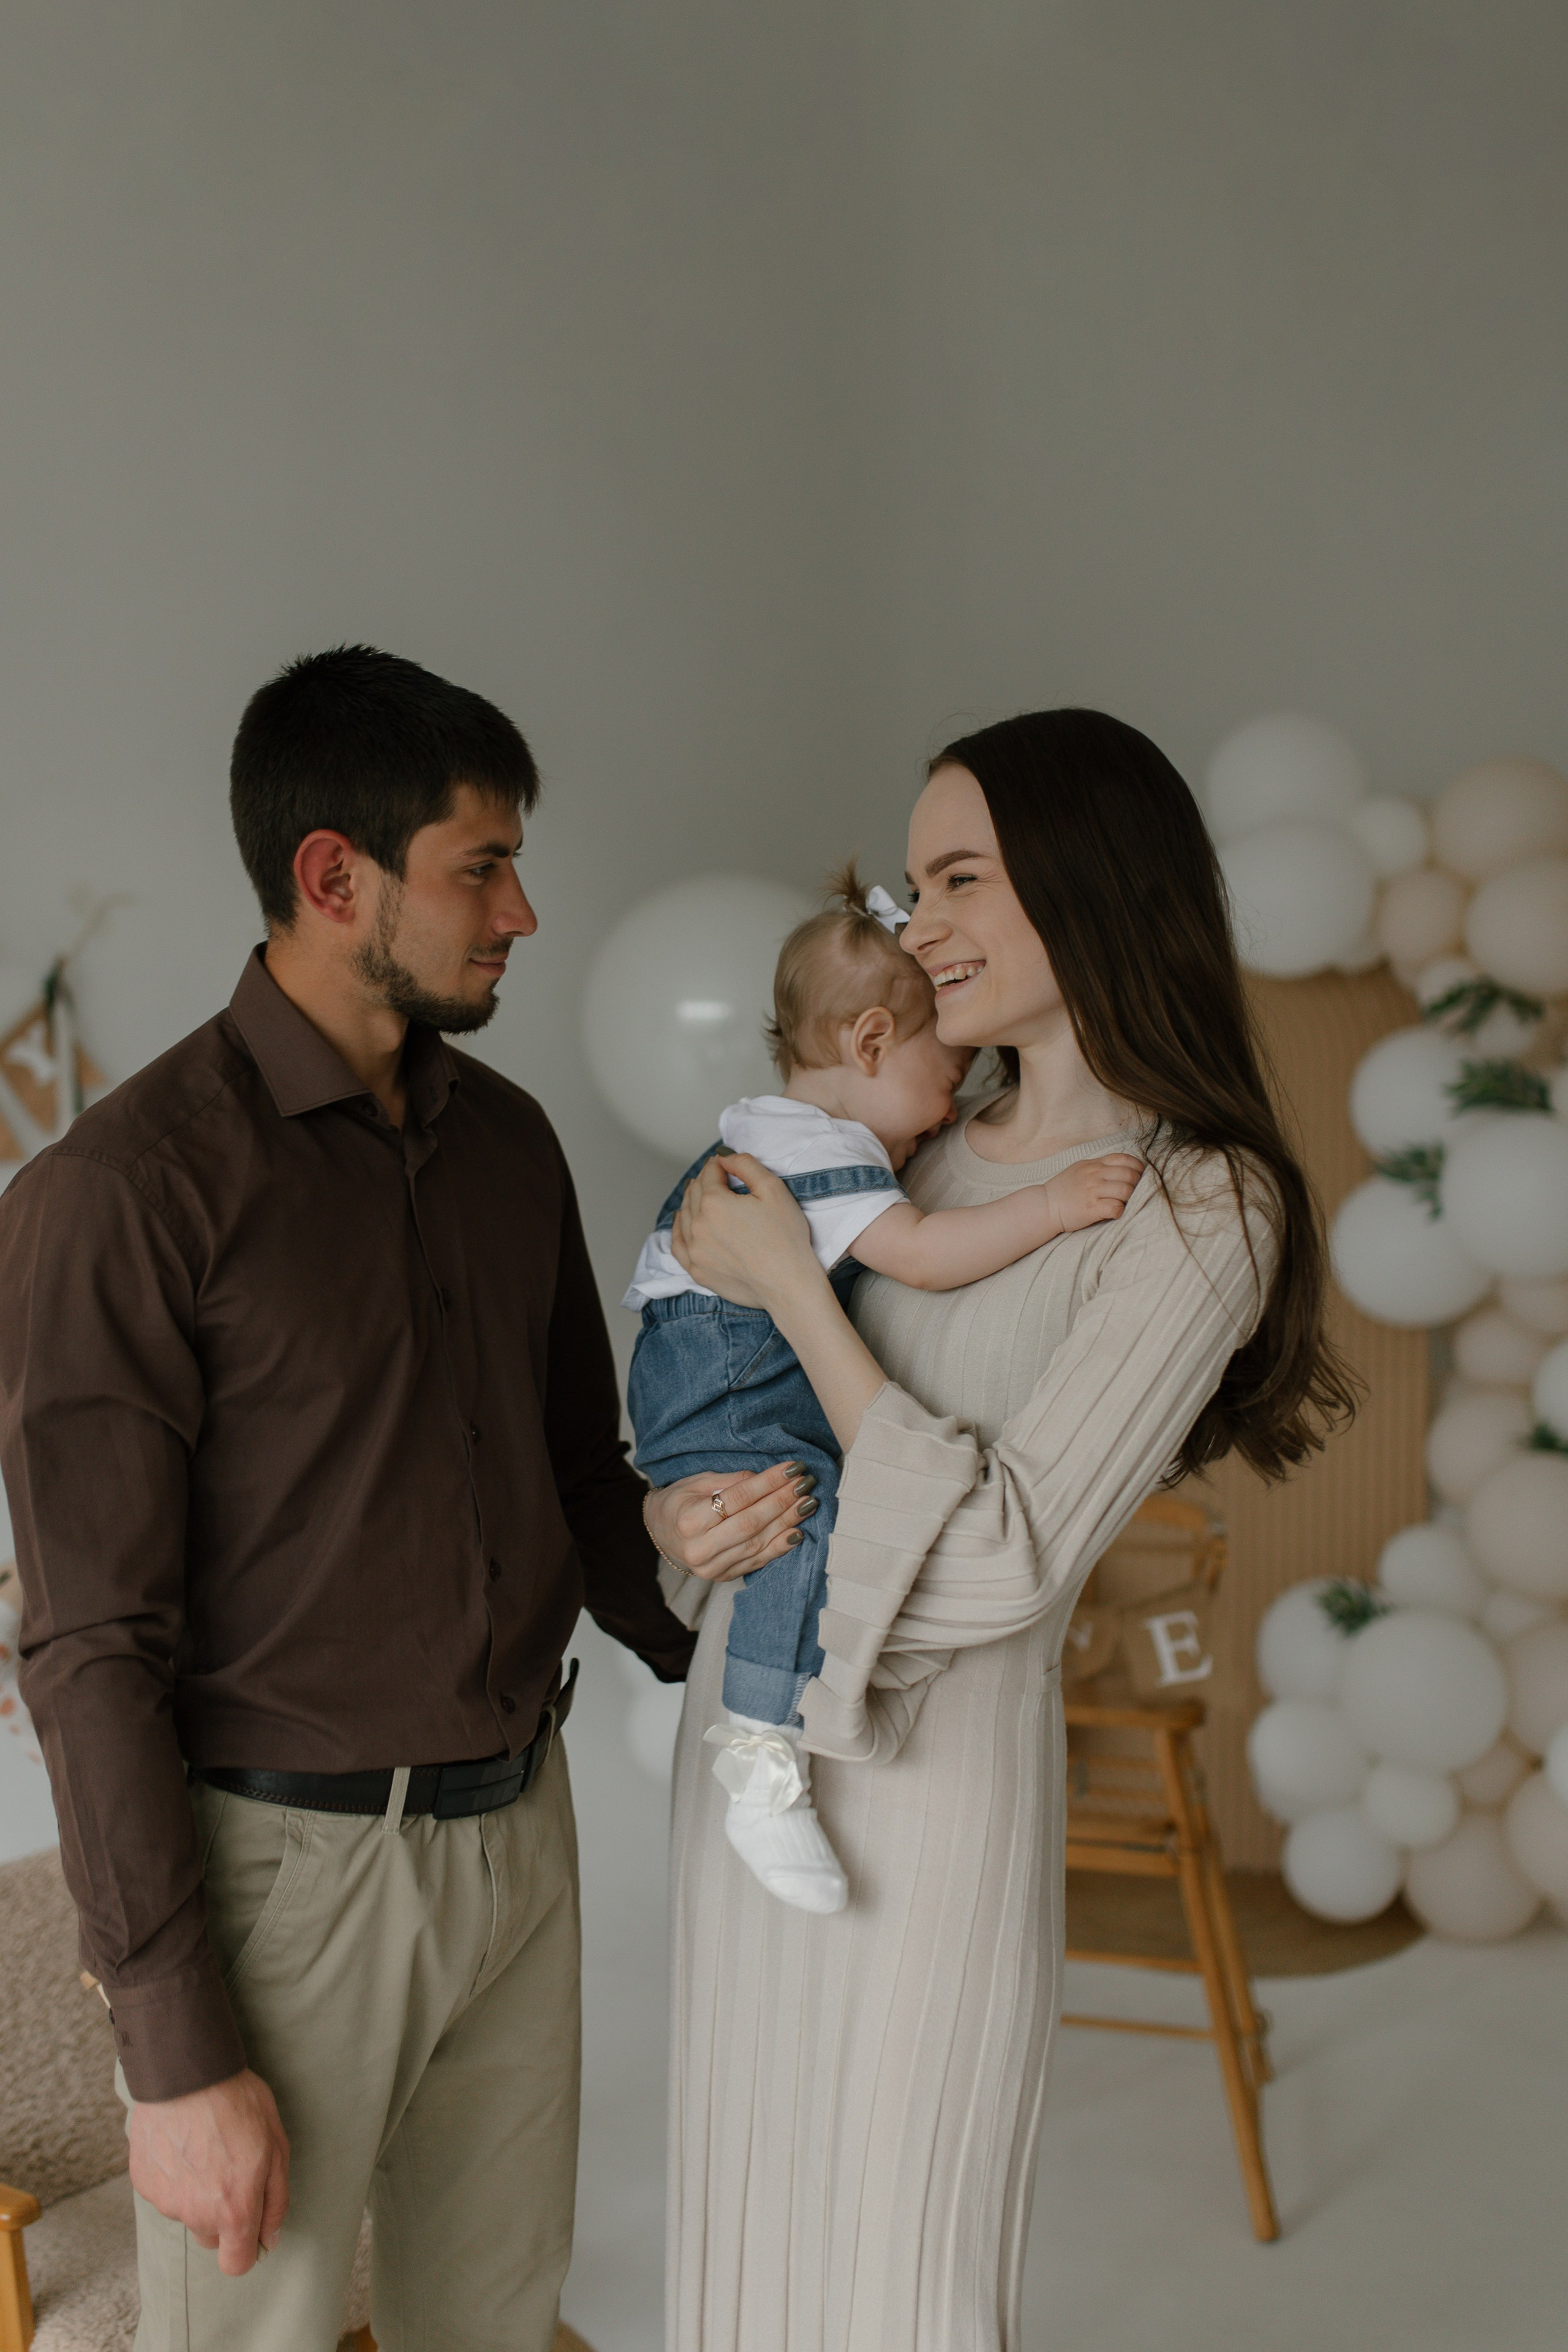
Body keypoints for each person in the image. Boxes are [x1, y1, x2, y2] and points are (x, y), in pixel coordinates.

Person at [0, 646, 811, 2352]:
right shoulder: (122, 1194)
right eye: (481, 866)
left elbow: (589, 1479)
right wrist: (173, 2053)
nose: (522, 911)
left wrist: (770, 1648)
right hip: (288, 1881)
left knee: (496, 2328)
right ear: (331, 877)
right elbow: (86, 1646)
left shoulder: (510, 1144)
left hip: (526, 1833)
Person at [652, 709, 1357, 2352]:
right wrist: (678, 1508)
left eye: (961, 877)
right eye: (913, 885)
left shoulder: (1196, 1203)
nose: (921, 927)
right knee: (734, 2246)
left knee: (900, 2275)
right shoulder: (905, 1154)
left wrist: (797, 1305)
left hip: (929, 1794)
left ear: (1090, 883)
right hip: (744, 1752)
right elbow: (724, 1445)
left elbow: (1002, 1563)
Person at [625, 865, 1140, 1913]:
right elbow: (925, 1254)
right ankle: (762, 1760)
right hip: (718, 1363)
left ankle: (765, 1739)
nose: (948, 1108)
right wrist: (1048, 1206)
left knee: (788, 1507)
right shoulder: (825, 1159)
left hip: (694, 1360)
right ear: (867, 1045)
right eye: (945, 1077)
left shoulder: (786, 1128)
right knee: (800, 1509)